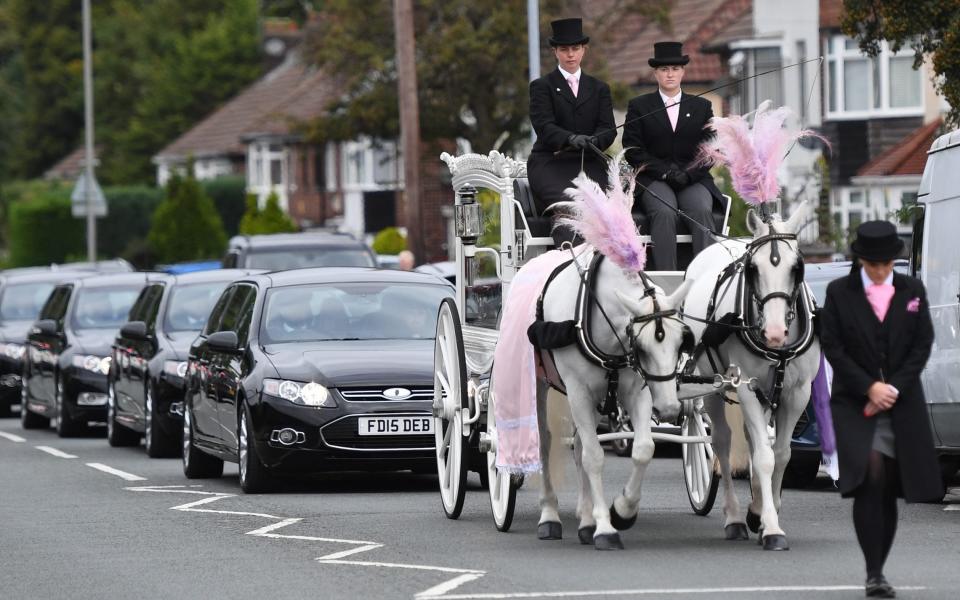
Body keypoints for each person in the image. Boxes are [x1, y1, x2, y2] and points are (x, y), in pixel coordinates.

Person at [819, 221, 943, 598]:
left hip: (900, 402)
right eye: (872, 264)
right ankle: (873, 573)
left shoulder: (912, 290)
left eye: (886, 263)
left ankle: (879, 569)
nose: (879, 270)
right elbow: (833, 346)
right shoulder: (840, 292)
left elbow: (923, 343)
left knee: (888, 486)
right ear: (860, 260)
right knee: (869, 477)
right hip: (855, 402)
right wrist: (869, 386)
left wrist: (892, 388)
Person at [621, 41, 724, 270]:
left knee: (701, 210)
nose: (670, 74)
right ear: (656, 73)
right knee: (664, 212)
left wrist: (688, 175)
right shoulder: (640, 106)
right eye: (664, 69)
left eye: (675, 69)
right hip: (654, 178)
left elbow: (710, 148)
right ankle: (666, 277)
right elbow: (633, 150)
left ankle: (706, 276)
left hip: (692, 177)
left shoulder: (701, 106)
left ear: (683, 72)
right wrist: (665, 173)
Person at [528, 17, 617, 247]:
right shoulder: (542, 87)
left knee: (606, 210)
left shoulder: (599, 89)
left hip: (589, 163)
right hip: (552, 164)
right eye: (564, 49)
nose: (570, 55)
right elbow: (544, 126)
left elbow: (608, 128)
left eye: (575, 49)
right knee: (570, 207)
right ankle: (568, 265)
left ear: (583, 50)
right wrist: (570, 138)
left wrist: (596, 140)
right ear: (555, 51)